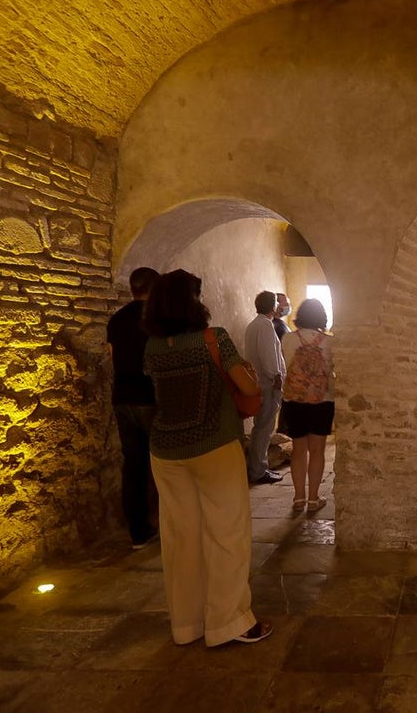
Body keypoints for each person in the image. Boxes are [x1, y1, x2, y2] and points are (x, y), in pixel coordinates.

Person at [142, 269, 271, 646]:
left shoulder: (151, 347)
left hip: (165, 450)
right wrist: (246, 374)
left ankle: (187, 624)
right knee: (226, 534)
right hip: (214, 444)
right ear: (191, 302)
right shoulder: (214, 339)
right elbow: (247, 385)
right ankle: (228, 623)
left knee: (181, 538)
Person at [107, 266, 160, 550]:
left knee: (134, 465)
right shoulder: (154, 319)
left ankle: (138, 531)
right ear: (155, 288)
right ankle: (170, 524)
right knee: (165, 463)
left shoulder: (116, 320)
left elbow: (114, 357)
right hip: (149, 397)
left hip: (122, 397)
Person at [281, 298, 336, 513]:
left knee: (298, 450)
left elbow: (286, 365)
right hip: (322, 401)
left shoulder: (288, 338)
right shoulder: (329, 342)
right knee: (317, 450)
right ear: (322, 317)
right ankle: (313, 498)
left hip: (295, 400)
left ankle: (298, 498)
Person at [244, 291, 286, 485]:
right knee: (264, 428)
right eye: (277, 303)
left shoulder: (254, 325)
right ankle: (259, 470)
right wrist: (276, 376)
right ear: (272, 306)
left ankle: (258, 467)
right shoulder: (266, 326)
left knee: (260, 428)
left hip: (258, 382)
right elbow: (269, 356)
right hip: (268, 384)